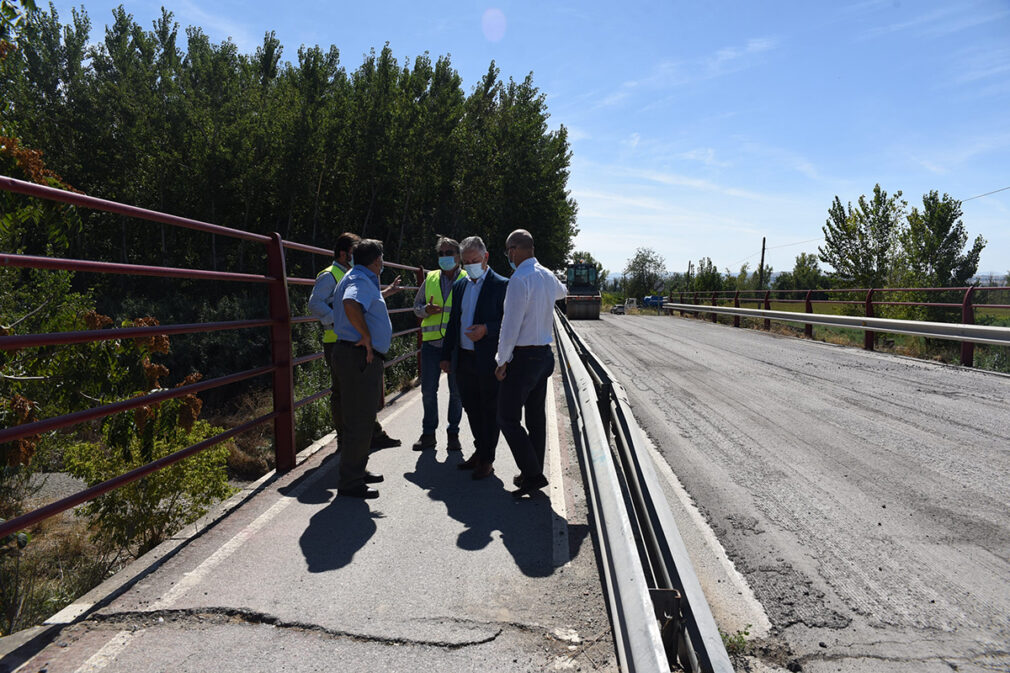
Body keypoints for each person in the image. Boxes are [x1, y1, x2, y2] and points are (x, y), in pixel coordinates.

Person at [308, 232, 400, 451]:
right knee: (344, 394)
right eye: (352, 252)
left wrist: (386, 292)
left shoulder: (350, 274)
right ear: (342, 254)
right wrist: (337, 319)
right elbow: (315, 303)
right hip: (340, 340)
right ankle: (348, 441)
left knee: (359, 394)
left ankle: (368, 436)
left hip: (351, 339)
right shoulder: (331, 275)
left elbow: (361, 300)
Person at [494, 229, 567, 498]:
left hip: (523, 359)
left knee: (507, 417)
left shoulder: (518, 280)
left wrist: (502, 360)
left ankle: (533, 473)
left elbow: (509, 325)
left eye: (508, 251)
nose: (508, 257)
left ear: (514, 250)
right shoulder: (546, 275)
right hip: (543, 357)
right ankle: (530, 473)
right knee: (535, 417)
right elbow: (562, 292)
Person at [331, 239, 401, 498]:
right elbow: (351, 303)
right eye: (381, 259)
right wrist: (367, 338)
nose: (383, 263)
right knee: (360, 421)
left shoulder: (356, 276)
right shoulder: (359, 280)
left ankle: (356, 471)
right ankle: (351, 482)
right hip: (359, 356)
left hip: (352, 355)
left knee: (358, 418)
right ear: (375, 261)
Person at [439, 236, 508, 480]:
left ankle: (487, 459)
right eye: (466, 262)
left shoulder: (502, 285)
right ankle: (480, 451)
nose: (470, 266)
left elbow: (510, 323)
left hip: (489, 359)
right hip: (464, 358)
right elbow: (452, 323)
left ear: (486, 257)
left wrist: (487, 329)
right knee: (471, 408)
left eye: (475, 261)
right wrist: (446, 355)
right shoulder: (460, 286)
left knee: (490, 410)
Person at [411, 236, 467, 452]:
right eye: (441, 253)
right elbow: (416, 306)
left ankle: (453, 434)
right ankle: (428, 434)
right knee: (428, 391)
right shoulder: (431, 278)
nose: (445, 257)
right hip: (432, 345)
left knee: (456, 392)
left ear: (459, 256)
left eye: (449, 252)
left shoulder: (466, 278)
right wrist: (426, 310)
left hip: (456, 345)